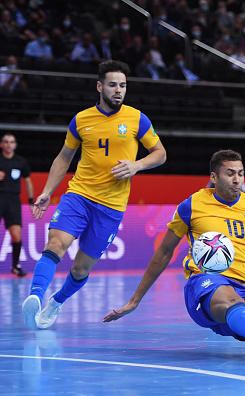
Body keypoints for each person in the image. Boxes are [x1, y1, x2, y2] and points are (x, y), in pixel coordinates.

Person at [103, 150, 245, 364]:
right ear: (214, 177)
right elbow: (164, 252)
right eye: (230, 173)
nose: (237, 179)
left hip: (240, 289)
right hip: (204, 284)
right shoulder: (192, 205)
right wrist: (134, 300)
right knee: (234, 301)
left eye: (240, 173)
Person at [21, 60, 167, 330]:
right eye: (113, 84)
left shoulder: (137, 118)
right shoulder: (82, 119)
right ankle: (35, 296)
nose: (118, 90)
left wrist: (137, 165)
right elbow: (65, 157)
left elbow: (160, 153)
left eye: (123, 85)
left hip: (111, 207)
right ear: (100, 86)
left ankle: (56, 302)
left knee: (80, 270)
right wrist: (47, 192)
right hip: (79, 195)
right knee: (55, 244)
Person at [0, 133, 35, 277]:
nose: (9, 144)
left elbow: (27, 181)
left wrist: (31, 201)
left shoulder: (21, 162)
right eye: (6, 142)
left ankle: (15, 266)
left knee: (16, 235)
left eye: (12, 142)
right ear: (1, 144)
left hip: (13, 200)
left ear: (15, 145)